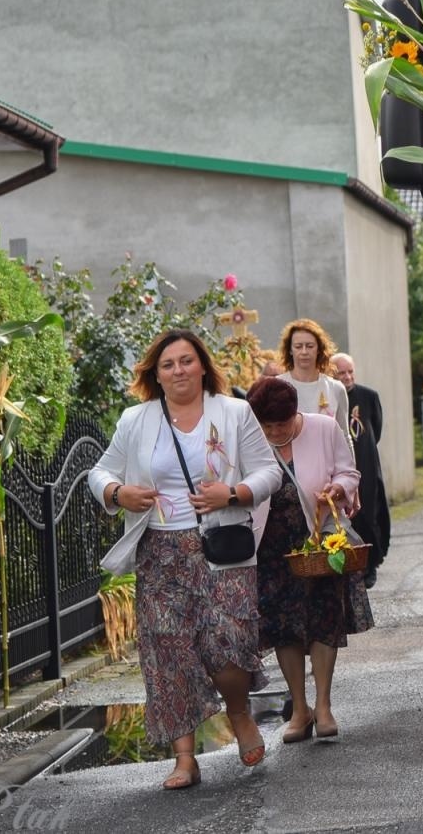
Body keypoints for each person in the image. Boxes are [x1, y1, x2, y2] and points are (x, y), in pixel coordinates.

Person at [86, 328, 280, 791]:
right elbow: (100, 472)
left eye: (187, 361)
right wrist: (119, 492)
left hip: (221, 548)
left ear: (202, 365)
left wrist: (232, 492)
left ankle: (238, 711)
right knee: (168, 652)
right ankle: (185, 758)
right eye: (169, 364)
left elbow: (270, 471)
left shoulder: (233, 412)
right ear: (156, 373)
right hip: (160, 552)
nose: (178, 370)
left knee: (228, 642)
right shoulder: (136, 420)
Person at [244, 378, 360, 742]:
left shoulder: (324, 428)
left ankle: (323, 706)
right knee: (284, 628)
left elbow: (349, 471)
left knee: (325, 619)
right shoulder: (249, 438)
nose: (275, 431)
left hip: (319, 540)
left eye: (282, 423)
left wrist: (338, 488)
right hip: (270, 547)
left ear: (295, 413)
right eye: (268, 425)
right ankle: (299, 709)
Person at [330, 352, 391, 587]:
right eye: (341, 373)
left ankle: (371, 564)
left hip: (365, 463)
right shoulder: (330, 396)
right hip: (339, 466)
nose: (347, 377)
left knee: (369, 513)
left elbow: (375, 429)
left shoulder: (368, 396)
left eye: (350, 371)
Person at [277, 318, 348, 421]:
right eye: (298, 346)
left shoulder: (335, 388)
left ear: (319, 349)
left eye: (310, 346)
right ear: (290, 350)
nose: (304, 352)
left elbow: (343, 434)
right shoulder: (277, 386)